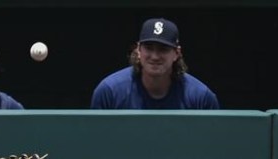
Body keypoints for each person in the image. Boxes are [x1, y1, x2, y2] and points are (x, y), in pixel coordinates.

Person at [90, 18, 220, 110]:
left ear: (176, 53)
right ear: (139, 50)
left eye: (163, 49)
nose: (155, 56)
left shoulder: (200, 96)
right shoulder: (110, 91)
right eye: (149, 48)